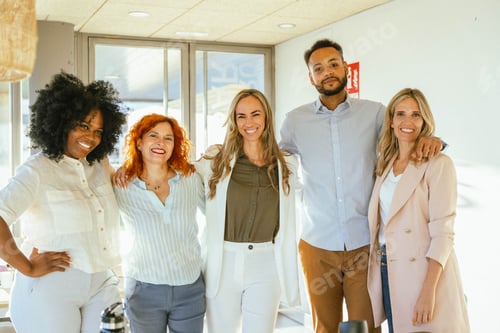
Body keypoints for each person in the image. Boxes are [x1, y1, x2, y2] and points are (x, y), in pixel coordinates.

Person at [279, 39, 443, 333]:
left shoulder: (376, 113)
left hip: (364, 244)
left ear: (345, 68)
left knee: (366, 326)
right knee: (324, 327)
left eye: (333, 64)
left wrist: (434, 140)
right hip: (317, 244)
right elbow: (276, 162)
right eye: (318, 68)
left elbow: (404, 133)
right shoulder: (294, 121)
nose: (327, 72)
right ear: (311, 77)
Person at [0, 72, 126, 332]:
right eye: (83, 125)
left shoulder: (100, 164)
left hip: (103, 282)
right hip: (51, 286)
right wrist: (26, 266)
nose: (91, 137)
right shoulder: (37, 170)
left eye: (98, 131)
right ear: (61, 122)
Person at [195, 88, 301, 333]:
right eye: (241, 116)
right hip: (223, 261)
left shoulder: (286, 164)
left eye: (255, 114)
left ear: (266, 118)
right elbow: (177, 173)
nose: (249, 122)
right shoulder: (215, 160)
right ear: (234, 120)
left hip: (266, 262)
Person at [366, 88, 470, 333]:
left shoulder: (439, 164)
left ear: (424, 121)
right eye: (401, 114)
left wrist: (428, 291)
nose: (407, 121)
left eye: (416, 115)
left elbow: (443, 234)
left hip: (425, 272)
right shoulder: (386, 163)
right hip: (389, 267)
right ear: (391, 121)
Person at [113, 114, 206, 333]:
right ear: (139, 142)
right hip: (144, 290)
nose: (160, 143)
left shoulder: (190, 179)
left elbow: (217, 212)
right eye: (153, 135)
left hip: (189, 288)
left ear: (175, 145)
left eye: (168, 138)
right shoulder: (123, 184)